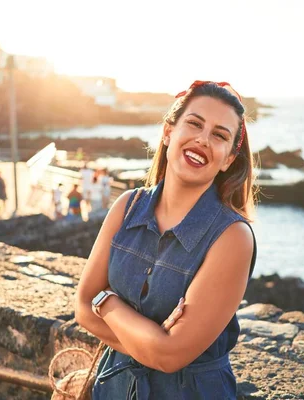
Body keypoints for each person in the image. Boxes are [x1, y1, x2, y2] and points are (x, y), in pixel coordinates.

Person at [75, 81, 257, 399]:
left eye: (219, 135)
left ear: (228, 159)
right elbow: (81, 307)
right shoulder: (127, 206)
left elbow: (171, 355)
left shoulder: (232, 237)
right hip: (112, 389)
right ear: (169, 132)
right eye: (194, 123)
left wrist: (106, 301)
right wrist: (152, 343)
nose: (202, 139)